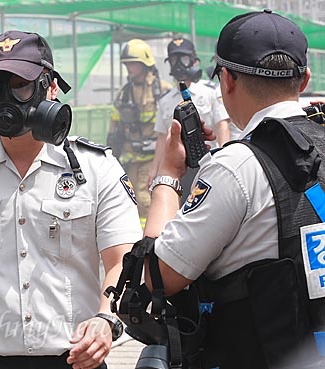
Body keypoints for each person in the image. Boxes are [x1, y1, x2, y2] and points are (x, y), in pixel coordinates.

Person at [0, 30, 143, 369]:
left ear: (51, 87)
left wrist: (107, 319)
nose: (7, 97)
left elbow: (124, 260)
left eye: (21, 84)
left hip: (72, 360)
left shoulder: (95, 169)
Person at [142, 9, 324, 369]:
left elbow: (158, 277)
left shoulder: (235, 167)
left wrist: (168, 176)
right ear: (304, 80)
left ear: (226, 80)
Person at [149, 37, 230, 201]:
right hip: (179, 169)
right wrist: (154, 169)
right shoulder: (165, 100)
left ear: (194, 60)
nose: (179, 64)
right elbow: (162, 136)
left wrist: (225, 161)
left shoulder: (210, 91)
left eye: (184, 58)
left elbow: (222, 126)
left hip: (209, 164)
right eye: (174, 59)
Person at [106, 39, 171, 221]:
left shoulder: (164, 90)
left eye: (133, 64)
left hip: (154, 159)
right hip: (131, 158)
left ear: (145, 63)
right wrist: (111, 154)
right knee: (129, 199)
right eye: (127, 64)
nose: (129, 68)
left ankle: (148, 240)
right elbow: (115, 126)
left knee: (145, 200)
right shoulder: (124, 93)